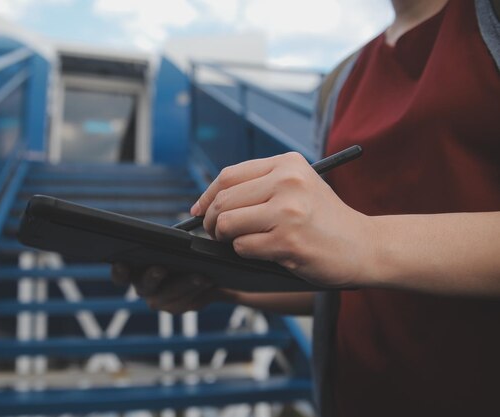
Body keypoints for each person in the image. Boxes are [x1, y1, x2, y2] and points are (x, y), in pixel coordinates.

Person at [112, 0, 500, 415]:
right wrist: (222, 285)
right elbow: (351, 279)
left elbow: (363, 249)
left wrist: (367, 239)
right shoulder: (341, 79)